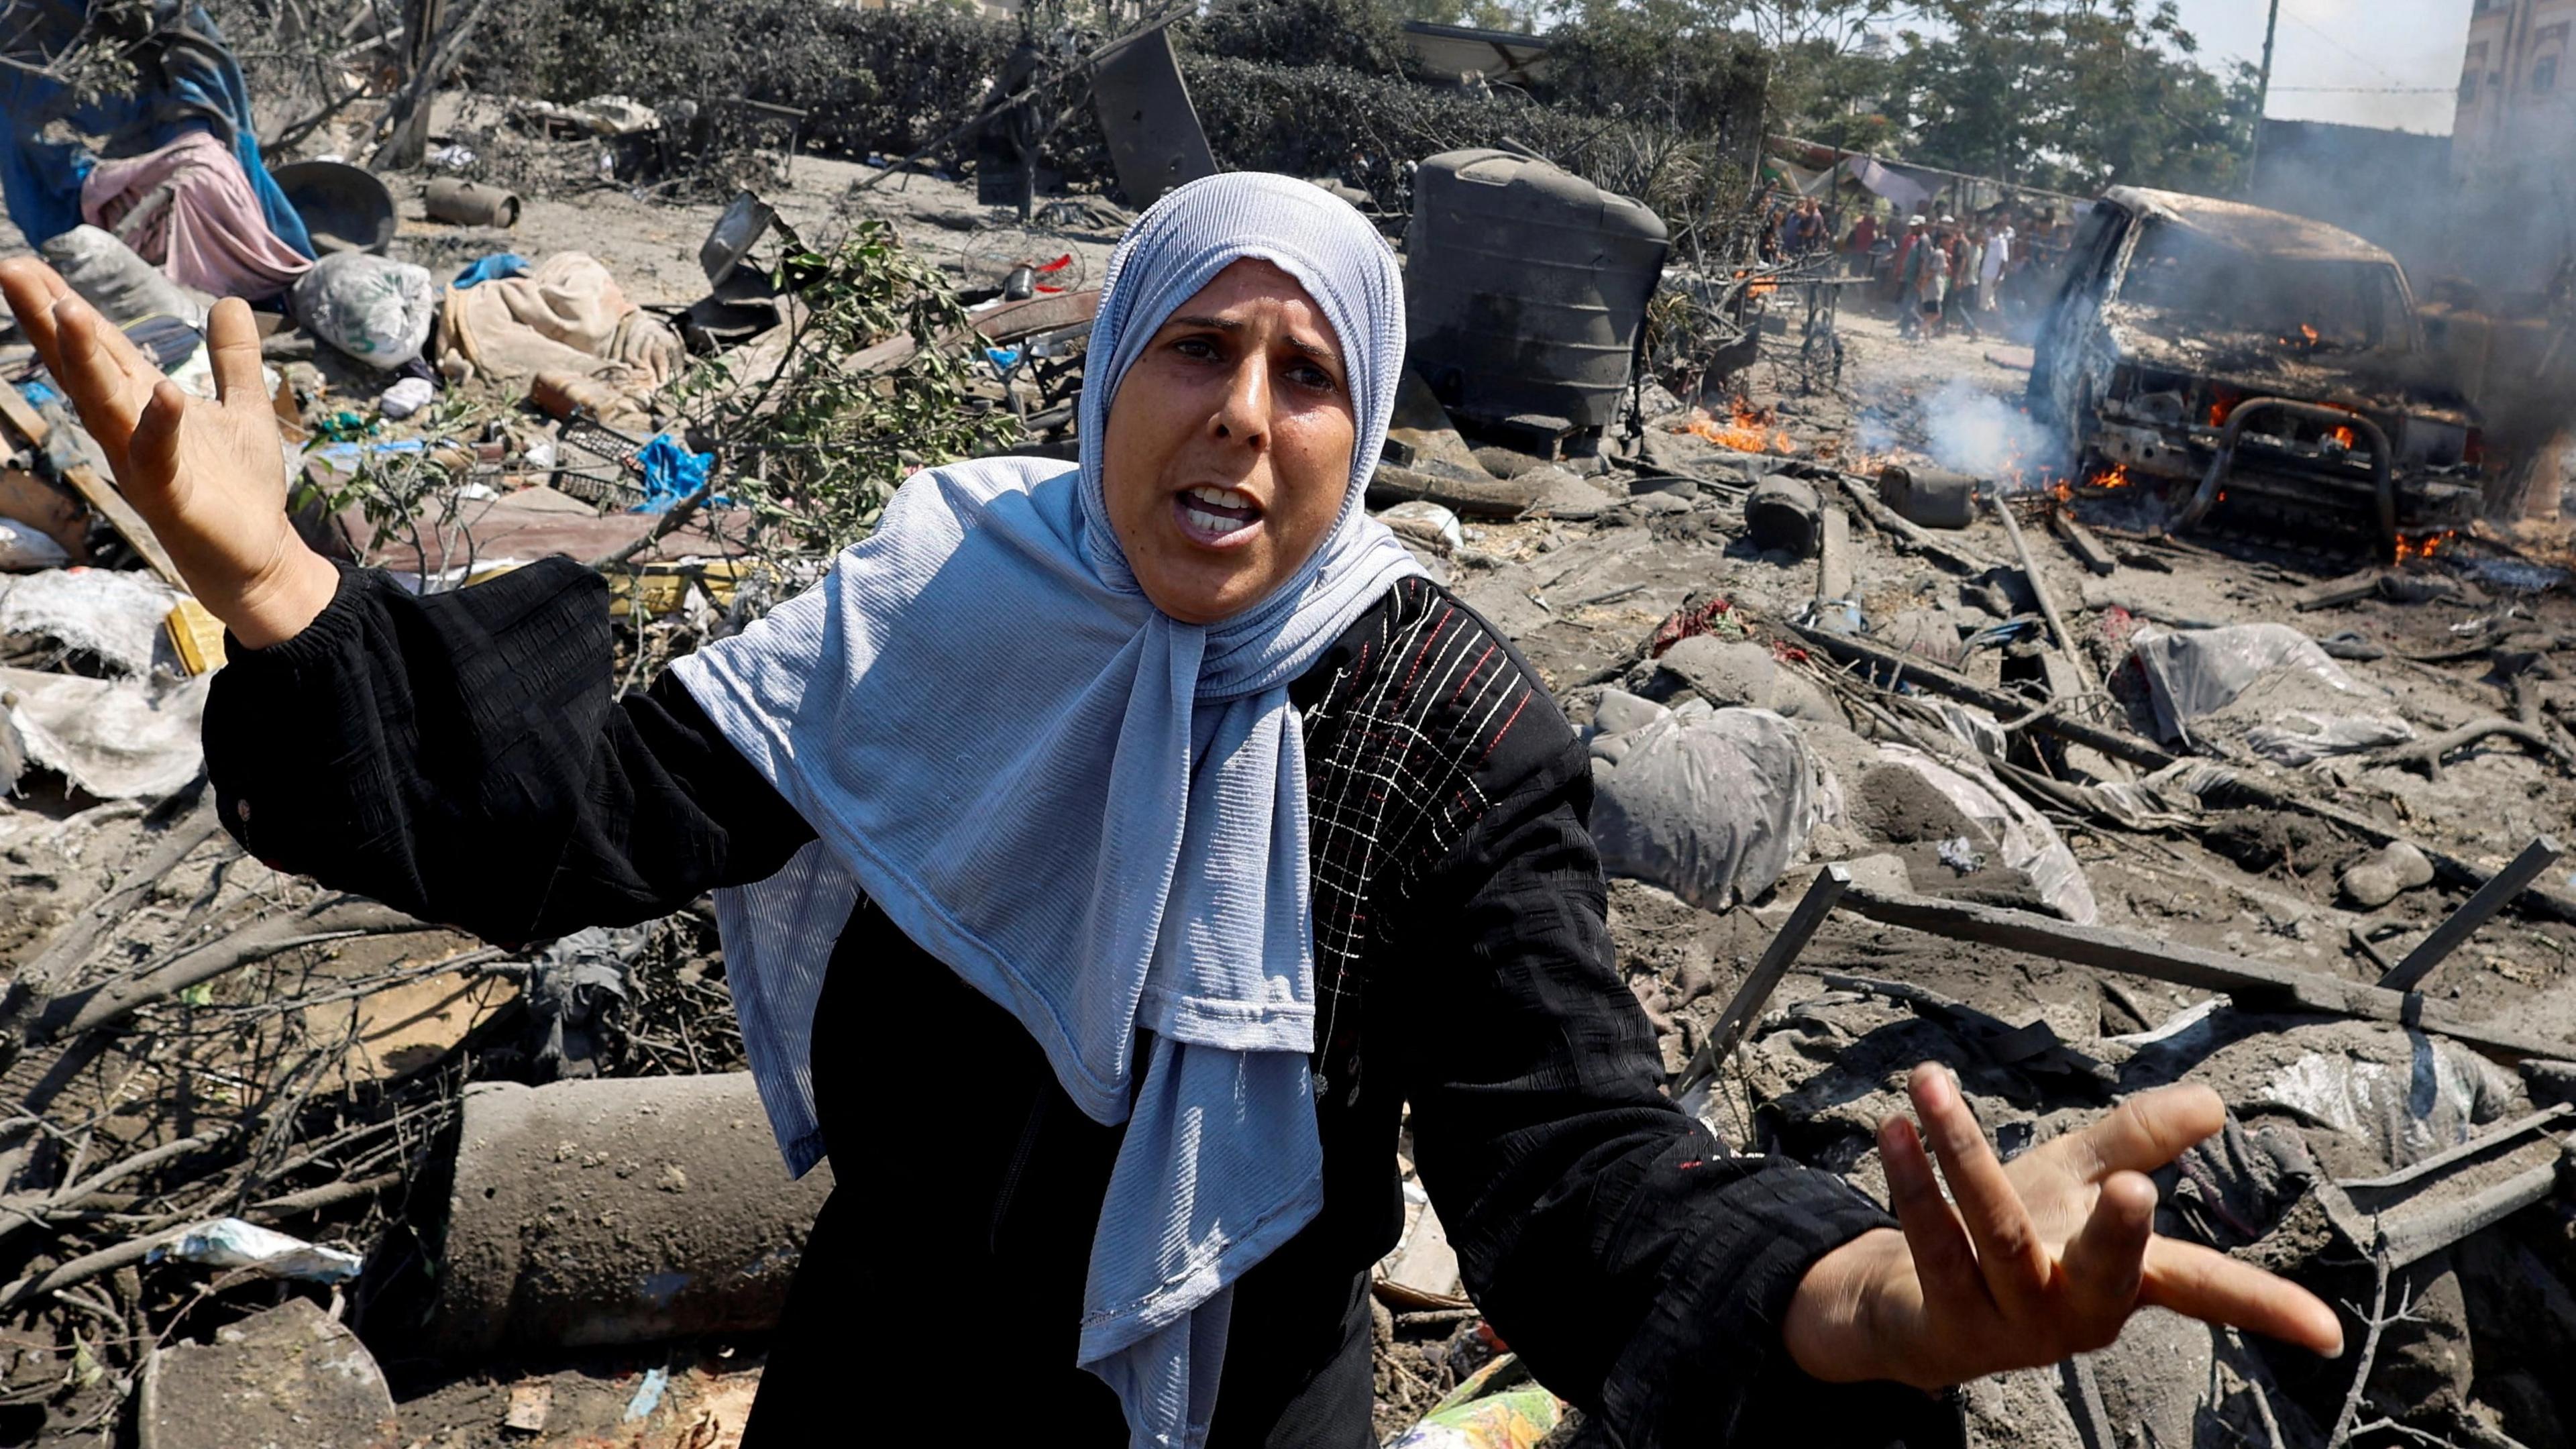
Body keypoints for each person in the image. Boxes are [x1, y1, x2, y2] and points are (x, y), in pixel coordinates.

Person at [0, 174, 2342, 1448]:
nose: (1243, 412)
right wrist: (296, 587)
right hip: (889, 1384)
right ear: (1114, 369)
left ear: (1365, 420)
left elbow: (1575, 1167)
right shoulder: (940, 592)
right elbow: (584, 820)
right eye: (1195, 348)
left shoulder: (1440, 715)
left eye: (1309, 370)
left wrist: (1855, 1306)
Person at [1980, 217, 2012, 314]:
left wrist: (1998, 277)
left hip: (1993, 275)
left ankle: (1997, 322)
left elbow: (2004, 261)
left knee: (1987, 302)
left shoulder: (2002, 241)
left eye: (1997, 226)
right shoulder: (1991, 240)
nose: (1995, 228)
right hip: (1986, 273)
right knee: (1987, 301)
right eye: (1993, 225)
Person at [1845, 210, 1880, 278]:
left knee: (1853, 272)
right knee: (1859, 273)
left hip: (1856, 252)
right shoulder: (1871, 231)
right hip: (1864, 254)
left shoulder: (1860, 228)